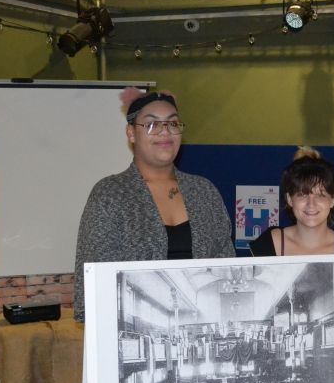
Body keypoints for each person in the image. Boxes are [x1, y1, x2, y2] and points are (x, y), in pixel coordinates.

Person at [73, 90, 233, 321]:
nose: (165, 132)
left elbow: (226, 266)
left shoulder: (204, 191)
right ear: (131, 133)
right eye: (151, 125)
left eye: (172, 123)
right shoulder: (110, 194)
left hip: (204, 323)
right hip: (130, 323)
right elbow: (93, 281)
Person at [250, 148, 334, 311]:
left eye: (320, 195)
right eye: (302, 194)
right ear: (289, 199)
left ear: (333, 200)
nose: (311, 204)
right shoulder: (267, 245)